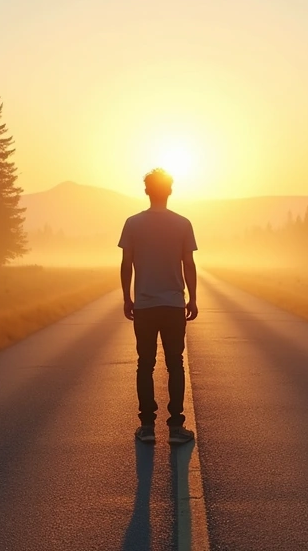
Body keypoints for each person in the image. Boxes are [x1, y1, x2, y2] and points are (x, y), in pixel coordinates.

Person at [119, 168, 199, 445]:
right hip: (173, 305)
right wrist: (193, 298)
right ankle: (176, 428)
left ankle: (147, 426)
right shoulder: (182, 223)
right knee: (175, 364)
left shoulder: (132, 223)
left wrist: (127, 298)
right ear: (170, 191)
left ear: (146, 191)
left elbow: (126, 263)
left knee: (145, 364)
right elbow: (188, 263)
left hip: (145, 306)